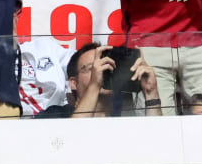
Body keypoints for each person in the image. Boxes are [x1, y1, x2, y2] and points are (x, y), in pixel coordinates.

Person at [37, 42, 165, 117]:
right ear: (73, 83)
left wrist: (150, 92)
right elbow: (72, 141)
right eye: (92, 68)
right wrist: (94, 85)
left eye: (107, 66)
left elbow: (157, 146)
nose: (101, 71)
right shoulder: (54, 115)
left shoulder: (126, 119)